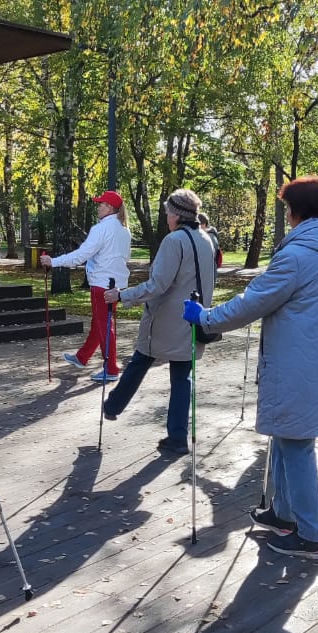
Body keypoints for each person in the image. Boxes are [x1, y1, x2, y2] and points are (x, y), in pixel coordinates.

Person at [184, 176, 318, 560]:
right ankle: (284, 514)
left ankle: (313, 536)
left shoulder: (297, 256)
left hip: (299, 363)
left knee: (295, 444)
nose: (287, 215)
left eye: (287, 208)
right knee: (286, 436)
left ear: (298, 211)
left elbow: (253, 301)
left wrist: (205, 317)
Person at [101, 188, 214, 455]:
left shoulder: (174, 241)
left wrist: (122, 295)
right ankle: (177, 437)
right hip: (194, 318)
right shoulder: (206, 239)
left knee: (141, 359)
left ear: (176, 214)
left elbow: (157, 285)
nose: (166, 217)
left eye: (167, 213)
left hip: (165, 320)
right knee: (182, 377)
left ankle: (114, 405)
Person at [40, 191, 132, 384]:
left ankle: (111, 368)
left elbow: (81, 256)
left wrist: (53, 262)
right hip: (116, 285)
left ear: (109, 207)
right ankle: (82, 357)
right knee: (100, 323)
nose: (98, 207)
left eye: (101, 204)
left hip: (101, 284)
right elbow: (125, 257)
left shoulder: (101, 228)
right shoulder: (124, 230)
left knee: (104, 326)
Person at [198, 212, 223, 278]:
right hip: (209, 269)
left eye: (198, 224)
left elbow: (209, 255)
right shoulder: (210, 234)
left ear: (203, 224)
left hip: (208, 270)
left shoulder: (209, 236)